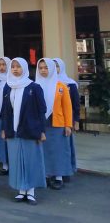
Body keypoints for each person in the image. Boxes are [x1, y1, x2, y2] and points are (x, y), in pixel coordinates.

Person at [1, 57, 47, 205]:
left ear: (24, 68)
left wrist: (41, 131)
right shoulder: (8, 87)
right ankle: (21, 191)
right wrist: (4, 128)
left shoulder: (34, 87)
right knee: (16, 161)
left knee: (30, 161)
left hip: (30, 130)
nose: (15, 69)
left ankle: (31, 191)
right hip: (13, 131)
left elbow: (42, 110)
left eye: (18, 66)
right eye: (13, 66)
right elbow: (5, 111)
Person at [36, 58, 74, 190]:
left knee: (59, 150)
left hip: (58, 123)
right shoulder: (35, 86)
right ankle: (46, 175)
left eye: (46, 68)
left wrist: (68, 125)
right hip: (42, 123)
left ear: (52, 68)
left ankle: (58, 177)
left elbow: (67, 107)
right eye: (41, 68)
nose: (43, 70)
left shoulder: (61, 86)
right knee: (44, 150)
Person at [54, 57, 79, 177]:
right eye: (53, 66)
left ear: (62, 67)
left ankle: (69, 169)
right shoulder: (47, 82)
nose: (55, 69)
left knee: (67, 146)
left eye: (57, 66)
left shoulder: (70, 84)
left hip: (68, 118)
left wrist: (76, 120)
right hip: (55, 120)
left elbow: (75, 104)